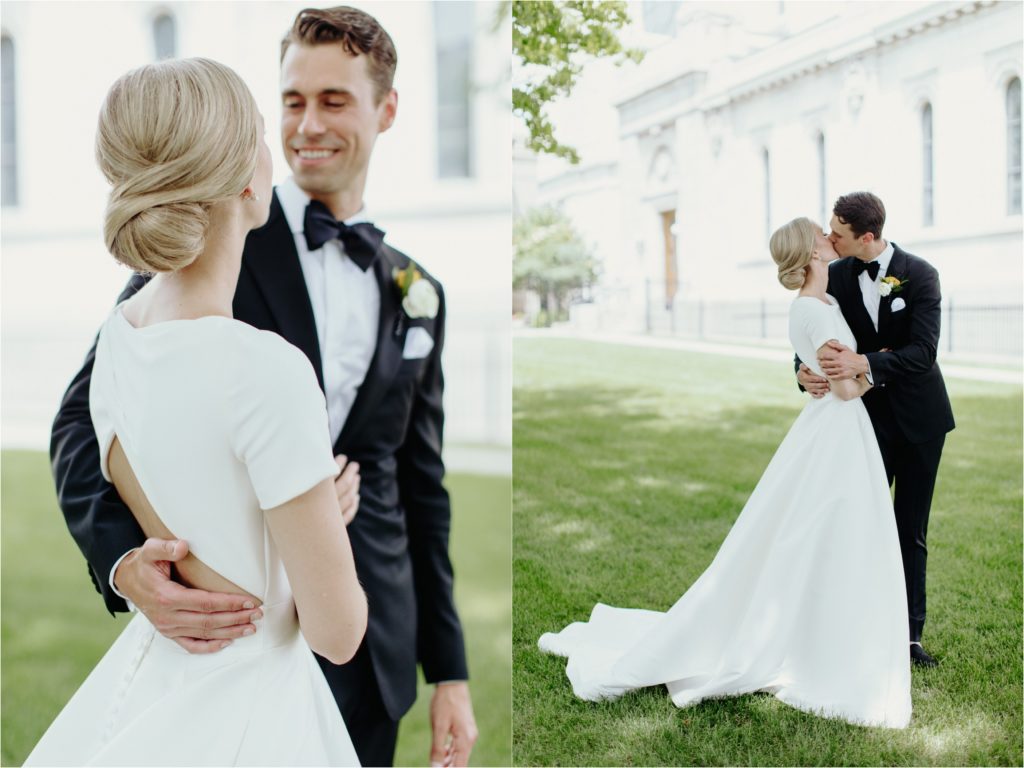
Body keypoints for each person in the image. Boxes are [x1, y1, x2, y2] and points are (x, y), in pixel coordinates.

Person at [50, 7, 477, 767]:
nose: (306, 125)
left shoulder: (420, 291)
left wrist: (450, 670)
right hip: (231, 640)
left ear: (387, 110)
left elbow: (423, 486)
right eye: (289, 102)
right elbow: (79, 425)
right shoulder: (183, 250)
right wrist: (125, 565)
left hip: (374, 658)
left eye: (333, 101)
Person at [29, 57, 364, 766]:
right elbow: (338, 633)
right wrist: (320, 523)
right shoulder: (265, 370)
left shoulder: (120, 339)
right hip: (255, 712)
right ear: (248, 173)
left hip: (155, 685)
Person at [538, 217, 912, 729]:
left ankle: (818, 632)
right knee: (828, 535)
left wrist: (841, 367)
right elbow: (846, 389)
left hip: (837, 435)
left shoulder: (822, 304)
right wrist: (878, 363)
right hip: (838, 432)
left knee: (820, 538)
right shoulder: (815, 311)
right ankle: (816, 644)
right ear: (812, 254)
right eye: (822, 236)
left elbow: (827, 370)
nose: (831, 238)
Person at [797, 191, 954, 667]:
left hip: (921, 423)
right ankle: (847, 626)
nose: (829, 238)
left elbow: (924, 353)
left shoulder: (921, 274)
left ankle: (908, 638)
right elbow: (816, 330)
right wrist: (802, 372)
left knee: (911, 530)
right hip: (862, 423)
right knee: (855, 524)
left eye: (838, 233)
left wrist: (866, 361)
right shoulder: (836, 274)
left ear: (867, 236)